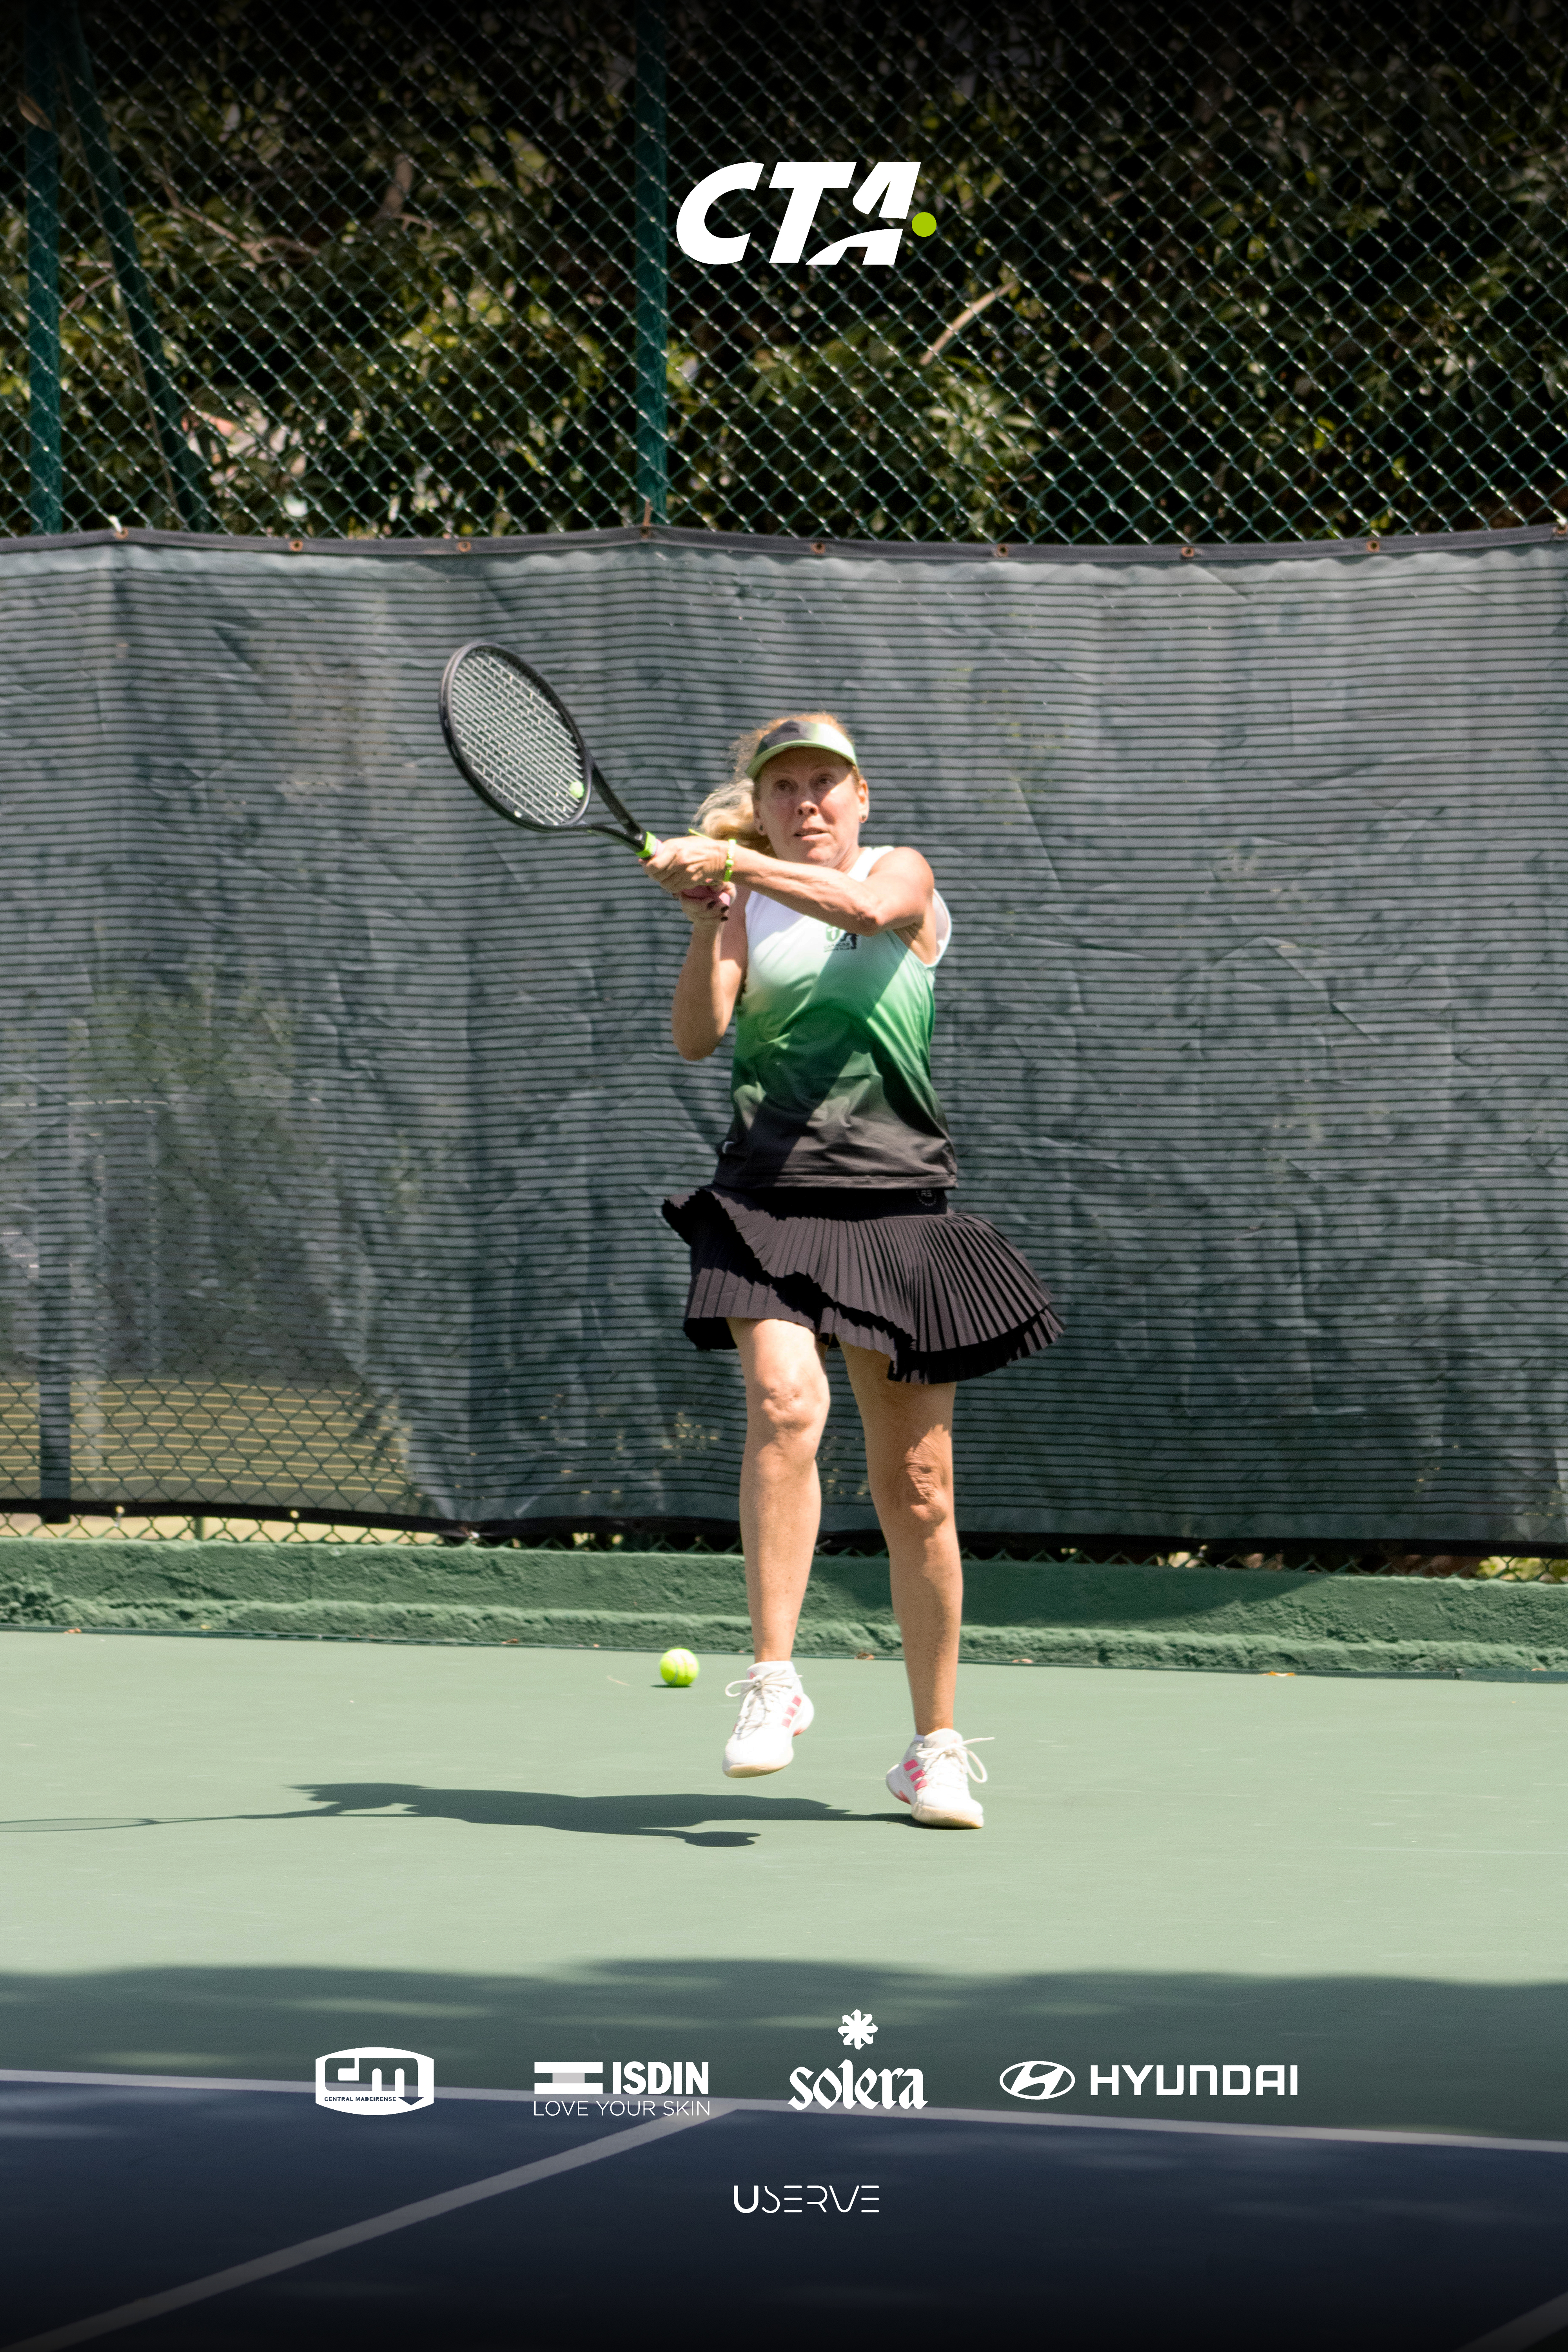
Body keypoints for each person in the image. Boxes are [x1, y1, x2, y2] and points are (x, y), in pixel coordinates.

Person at [644, 713, 1060, 1829]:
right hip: (766, 1204)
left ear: (861, 795)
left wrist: (731, 862)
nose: (807, 802)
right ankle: (774, 1679)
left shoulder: (901, 874)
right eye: (783, 787)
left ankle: (934, 1749)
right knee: (787, 1405)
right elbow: (699, 1036)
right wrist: (710, 920)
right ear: (764, 803)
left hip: (897, 1213)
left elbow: (871, 914)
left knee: (919, 1490)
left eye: (826, 781)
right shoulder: (746, 902)